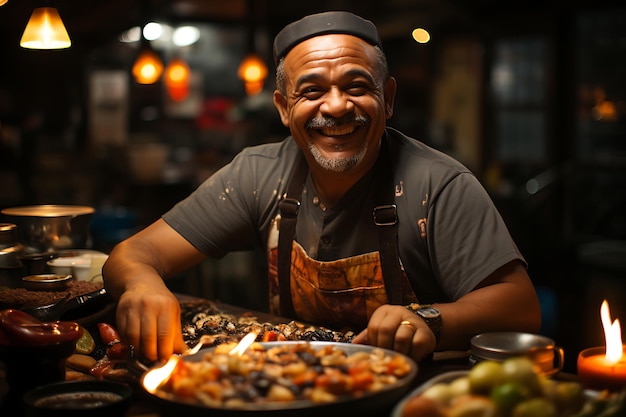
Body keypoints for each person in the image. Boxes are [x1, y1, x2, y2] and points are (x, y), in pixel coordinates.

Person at [103, 11, 541, 363]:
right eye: (311, 90)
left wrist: (428, 319)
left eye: (356, 87)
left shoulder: (438, 184)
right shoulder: (258, 175)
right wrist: (144, 285)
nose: (335, 106)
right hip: (292, 389)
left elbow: (521, 307)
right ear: (282, 107)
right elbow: (131, 255)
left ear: (387, 99)